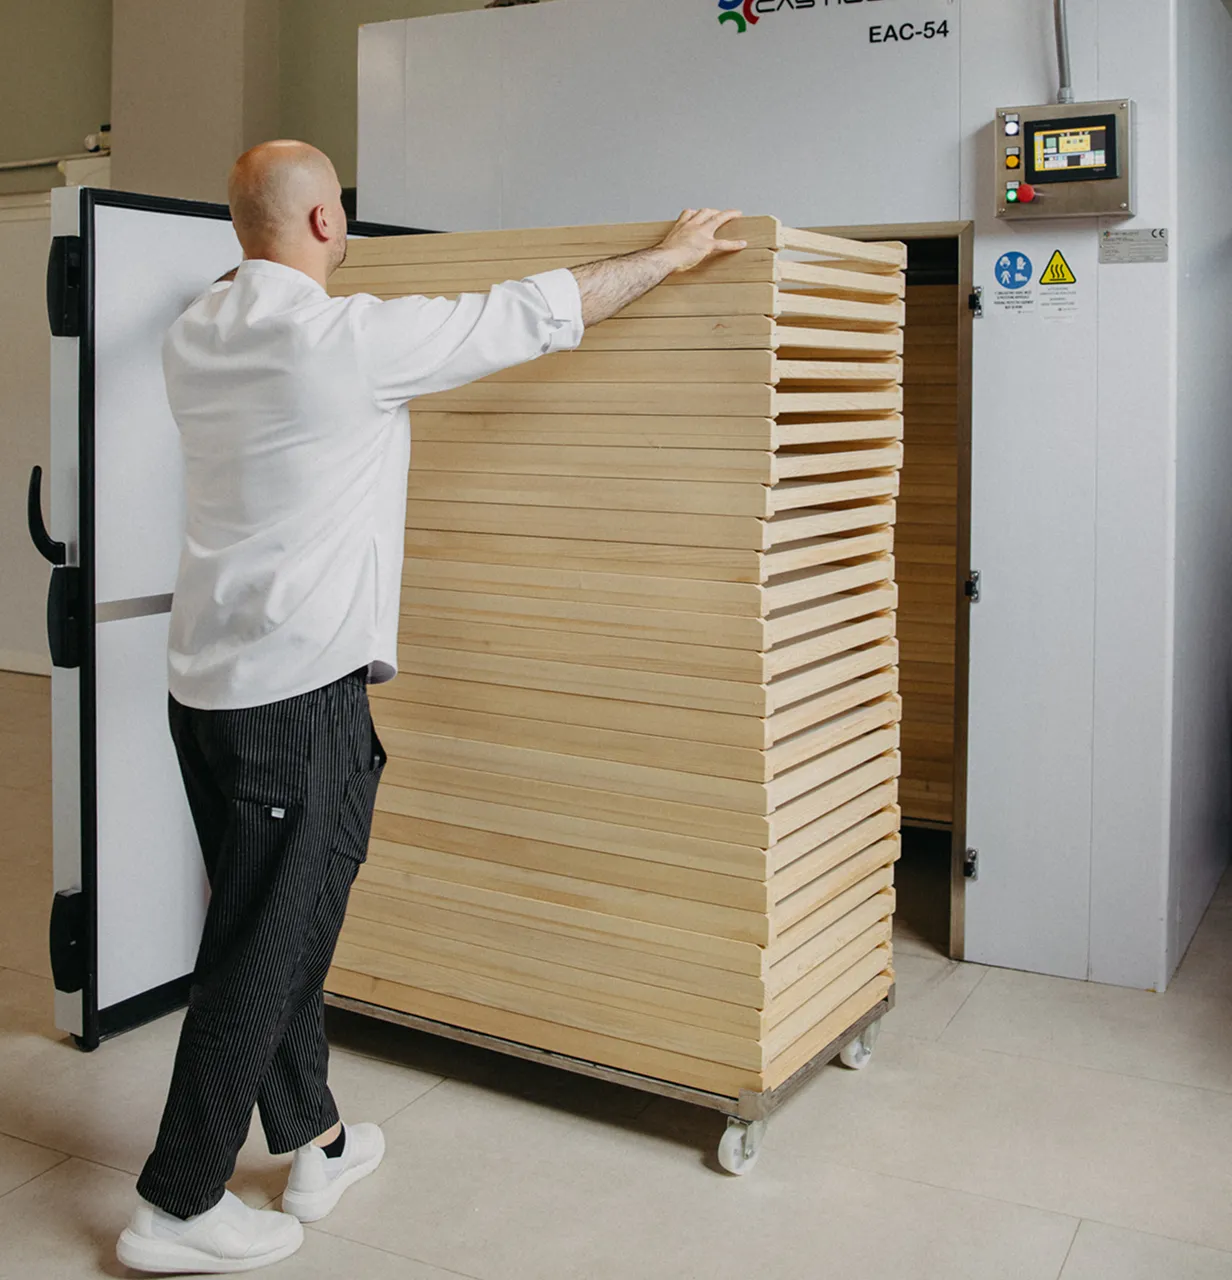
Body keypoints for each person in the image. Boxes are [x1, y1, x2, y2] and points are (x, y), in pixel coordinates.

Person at [115, 138, 745, 1275]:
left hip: (213, 690)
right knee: (260, 949)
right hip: (287, 700)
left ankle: (316, 1140)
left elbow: (241, 278)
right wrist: (667, 254)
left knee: (291, 924)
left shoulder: (197, 331)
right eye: (341, 214)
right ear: (321, 225)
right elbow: (535, 309)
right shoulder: (345, 343)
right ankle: (177, 1201)